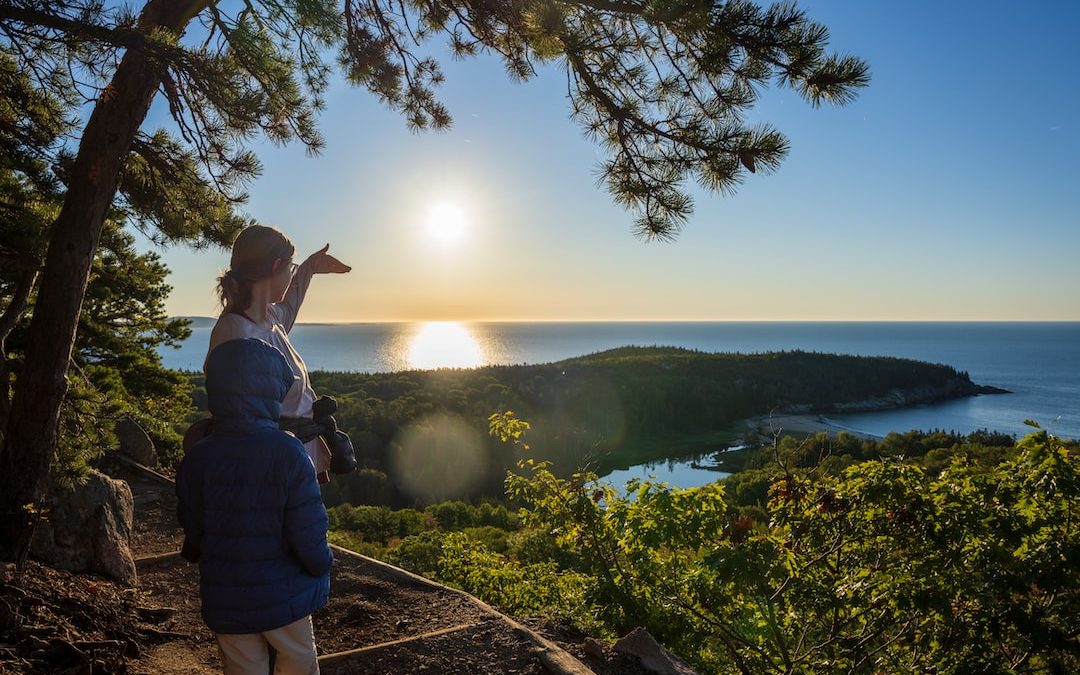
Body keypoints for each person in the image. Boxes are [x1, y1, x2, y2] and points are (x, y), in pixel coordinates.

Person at [177, 337, 332, 674]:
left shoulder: (200, 456)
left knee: (243, 668)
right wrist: (321, 563)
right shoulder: (288, 452)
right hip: (284, 595)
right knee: (298, 661)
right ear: (272, 391)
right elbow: (308, 527)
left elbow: (192, 523)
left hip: (226, 593)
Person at [209, 224, 351, 484]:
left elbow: (291, 302)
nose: (291, 274)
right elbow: (238, 422)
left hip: (293, 461)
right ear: (276, 267)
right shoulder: (237, 333)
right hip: (272, 473)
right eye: (291, 267)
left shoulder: (269, 318)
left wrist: (309, 267)